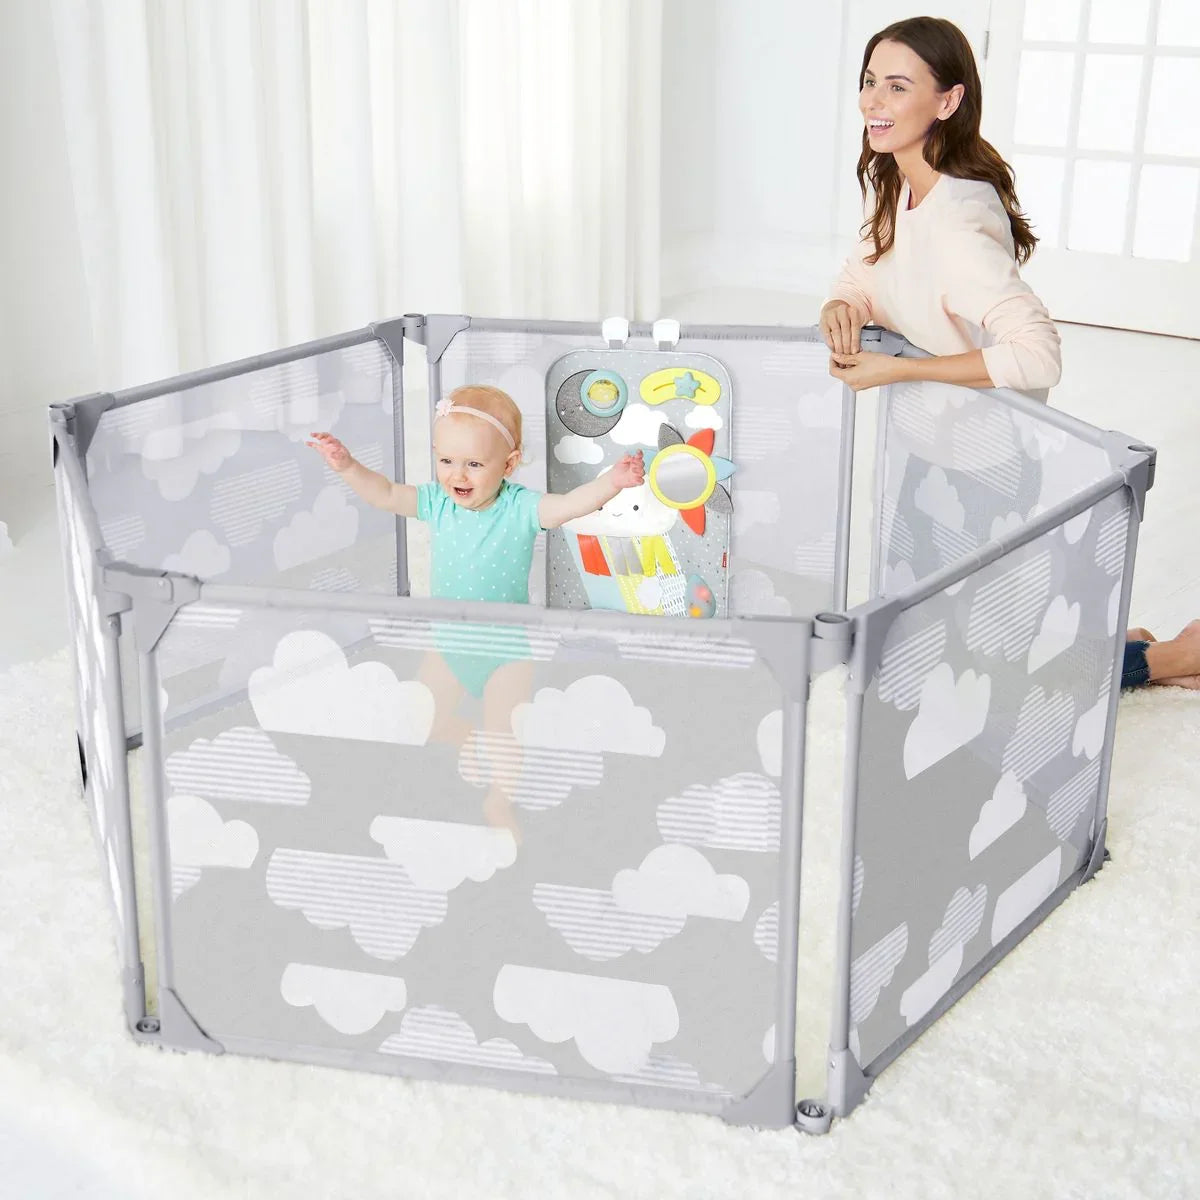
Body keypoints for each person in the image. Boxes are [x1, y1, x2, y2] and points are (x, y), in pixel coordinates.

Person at [818, 15, 1198, 691]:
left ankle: (1169, 660)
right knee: (932, 639)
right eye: (869, 81)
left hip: (988, 458)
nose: (873, 101)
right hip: (932, 444)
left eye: (896, 86)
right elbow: (864, 278)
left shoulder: (958, 222)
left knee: (990, 671)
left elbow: (1038, 355)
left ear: (947, 101)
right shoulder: (898, 184)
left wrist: (896, 369)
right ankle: (1118, 643)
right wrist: (840, 307)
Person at [308, 384, 645, 832]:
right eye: (446, 461)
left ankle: (499, 803)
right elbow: (386, 493)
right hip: (449, 644)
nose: (458, 475)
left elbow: (568, 507)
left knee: (506, 735)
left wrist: (612, 483)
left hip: (506, 648)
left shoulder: (520, 507)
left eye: (474, 464)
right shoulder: (436, 502)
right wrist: (347, 466)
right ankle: (466, 736)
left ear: (507, 464)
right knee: (422, 720)